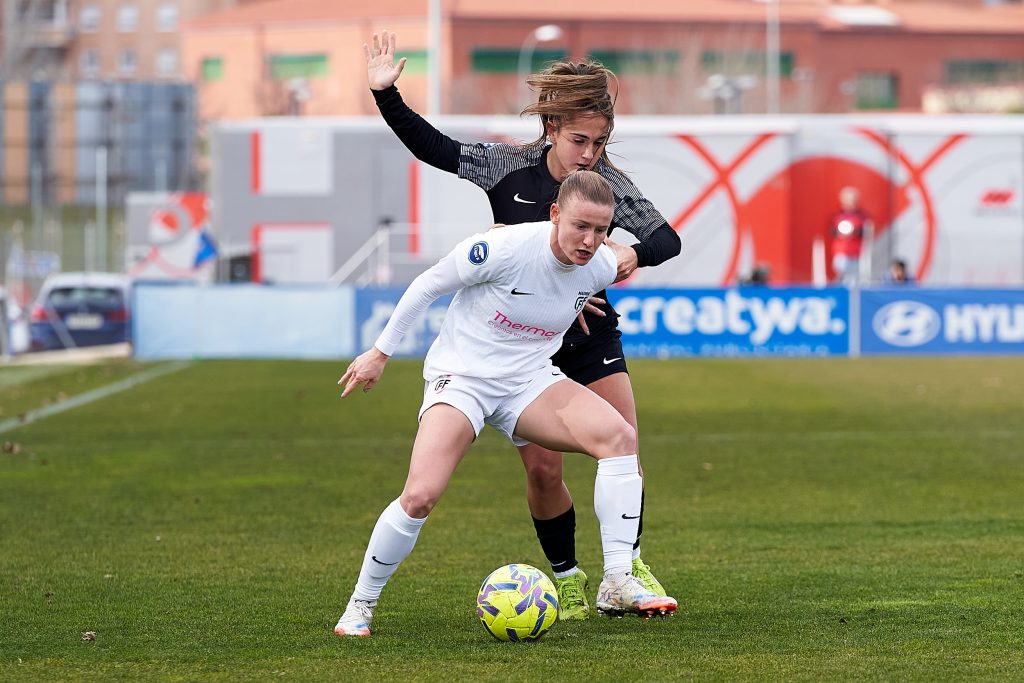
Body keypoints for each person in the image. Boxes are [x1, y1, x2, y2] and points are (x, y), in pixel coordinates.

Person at [364, 30, 682, 620]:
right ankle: (565, 578)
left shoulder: (607, 186)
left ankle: (628, 572)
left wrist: (631, 256)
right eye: (580, 140)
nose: (589, 155)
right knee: (543, 469)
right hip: (518, 344)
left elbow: (667, 238)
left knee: (624, 447)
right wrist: (387, 96)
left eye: (600, 142)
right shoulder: (506, 166)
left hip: (588, 334)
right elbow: (435, 147)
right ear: (552, 130)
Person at [333, 171, 679, 637]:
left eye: (601, 230)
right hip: (465, 378)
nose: (590, 240)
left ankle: (616, 580)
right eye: (580, 226)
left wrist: (567, 300)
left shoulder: (597, 267)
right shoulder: (503, 248)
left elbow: (561, 288)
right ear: (555, 214)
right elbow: (427, 285)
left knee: (620, 438)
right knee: (420, 496)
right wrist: (379, 353)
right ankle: (361, 604)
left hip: (528, 381)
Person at [829, 186, 873, 286]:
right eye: (849, 200)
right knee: (842, 273)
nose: (851, 203)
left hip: (857, 253)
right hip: (841, 252)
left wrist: (855, 232)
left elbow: (867, 231)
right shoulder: (837, 216)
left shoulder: (862, 216)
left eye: (853, 200)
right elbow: (832, 232)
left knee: (856, 278)